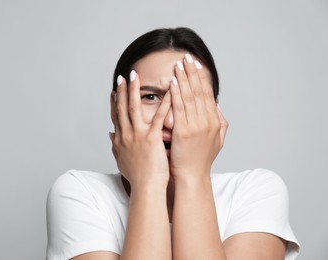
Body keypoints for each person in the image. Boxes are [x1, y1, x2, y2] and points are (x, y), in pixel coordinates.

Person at [46, 27, 300, 260]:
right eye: (151, 96)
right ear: (116, 107)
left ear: (213, 111)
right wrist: (148, 181)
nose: (168, 119)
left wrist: (192, 174)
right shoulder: (80, 193)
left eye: (187, 99)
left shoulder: (255, 192)